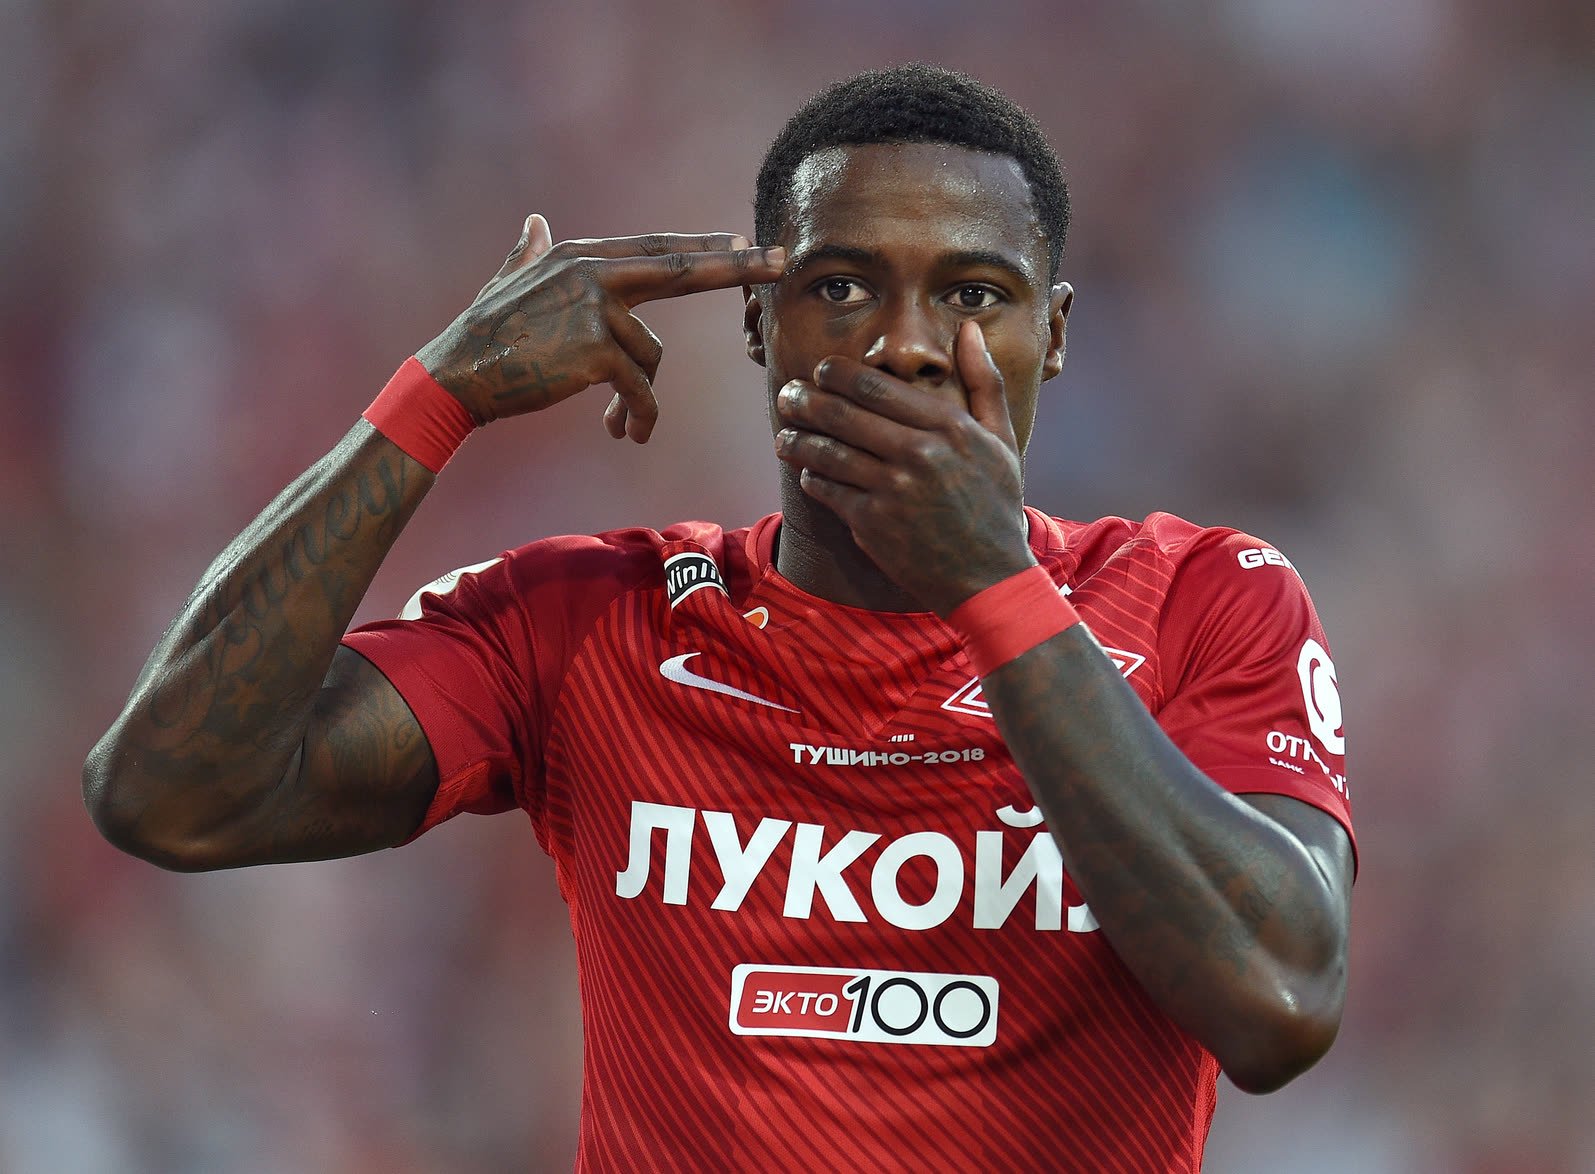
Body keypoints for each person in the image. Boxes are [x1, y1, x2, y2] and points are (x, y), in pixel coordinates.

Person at [84, 64, 1354, 1172]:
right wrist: (439, 393)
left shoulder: (1198, 600)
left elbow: (1281, 1001)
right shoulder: (591, 623)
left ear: (1054, 335)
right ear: (756, 321)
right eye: (841, 285)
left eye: (973, 294)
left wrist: (991, 587)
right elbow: (169, 792)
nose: (908, 346)